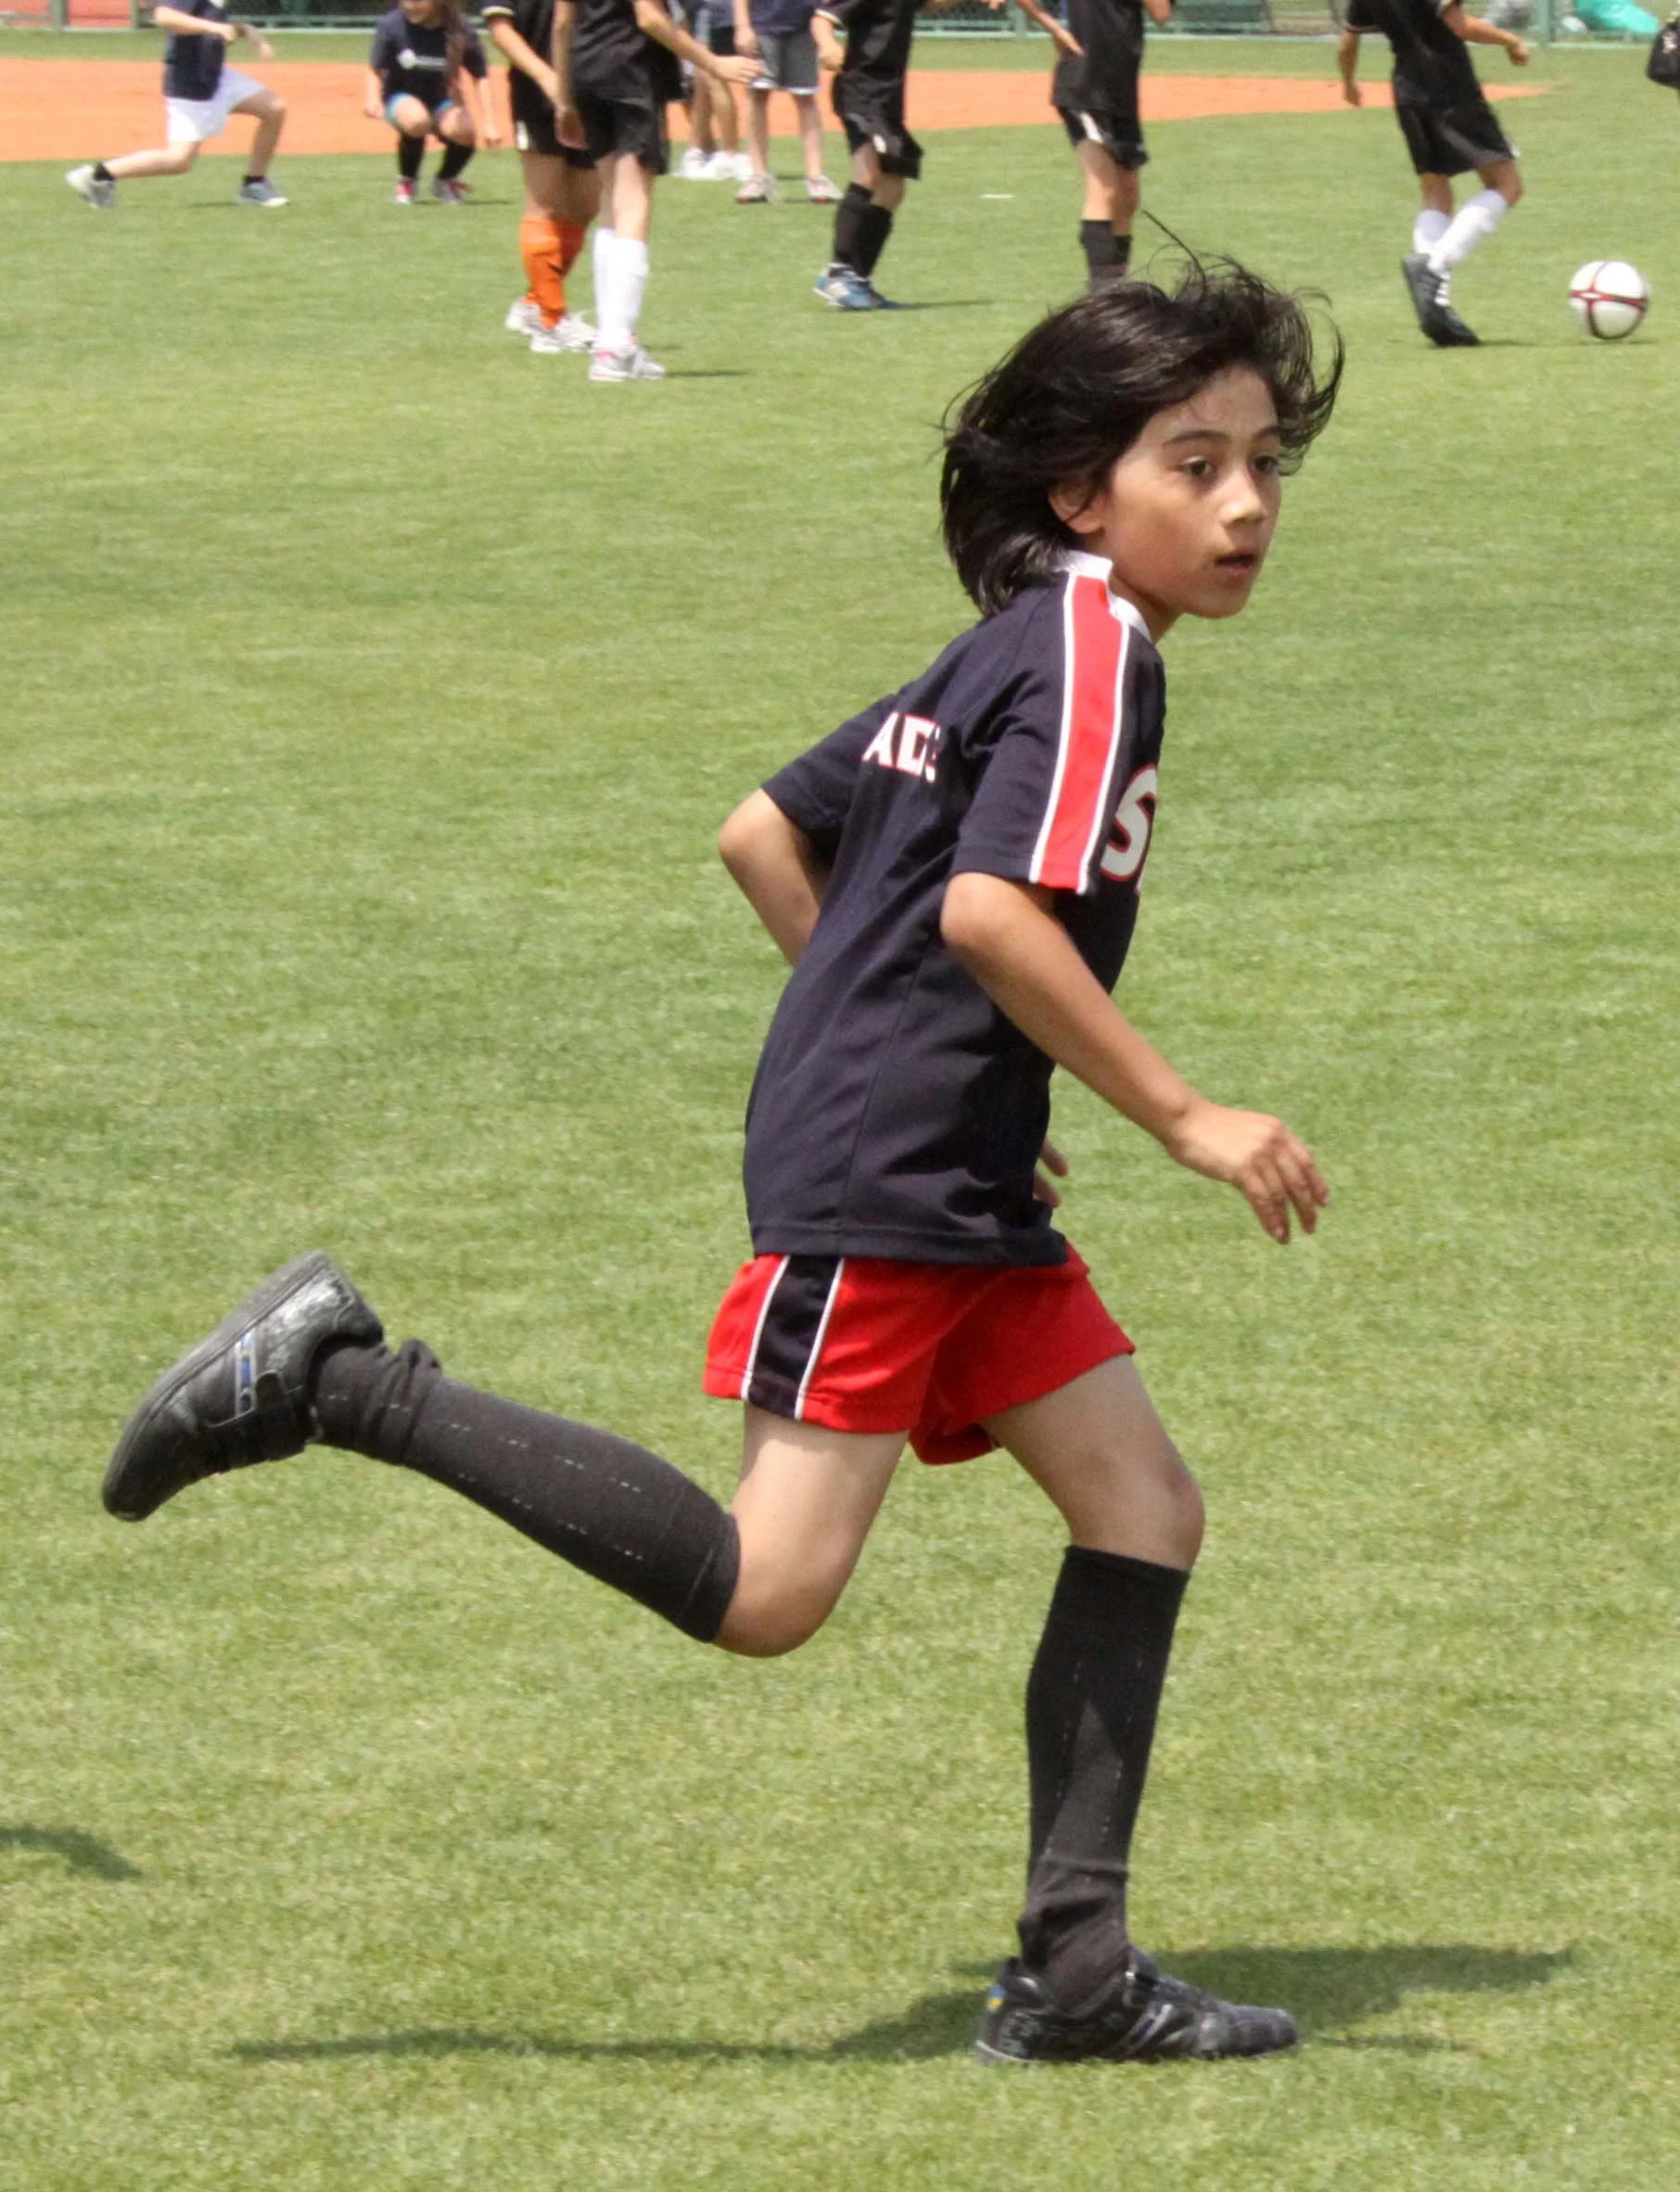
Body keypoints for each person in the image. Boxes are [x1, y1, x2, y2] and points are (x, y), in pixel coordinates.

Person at [104, 263, 1343, 2067]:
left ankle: (1075, 1973)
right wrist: (1175, 1112)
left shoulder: (1018, 639)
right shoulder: (1091, 650)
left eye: (1261, 464)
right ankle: (339, 1380)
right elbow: (992, 911)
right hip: (899, 1171)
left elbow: (766, 834)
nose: (1241, 504)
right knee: (768, 1592)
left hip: (941, 1161)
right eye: (1193, 461)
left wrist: (906, 1046)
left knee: (1143, 1505)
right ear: (1085, 493)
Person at [555, 0, 757, 379]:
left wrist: (564, 100)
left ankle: (609, 343)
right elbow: (649, 17)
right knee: (633, 203)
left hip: (586, 70)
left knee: (612, 201)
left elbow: (563, 22)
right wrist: (713, 63)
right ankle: (615, 349)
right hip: (630, 72)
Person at [1337, 0, 1529, 347]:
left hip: (1407, 90)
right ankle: (1435, 269)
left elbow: (1349, 39)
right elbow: (1459, 24)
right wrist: (1510, 41)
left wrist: (1348, 83)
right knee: (1507, 185)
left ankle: (1436, 306)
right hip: (1450, 87)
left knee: (1435, 192)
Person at [809, 0, 999, 311]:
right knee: (868, 173)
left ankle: (858, 278)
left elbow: (935, 3)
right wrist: (827, 44)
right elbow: (821, 17)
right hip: (859, 91)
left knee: (893, 186)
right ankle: (837, 271)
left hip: (887, 99)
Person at [65, 0, 286, 210]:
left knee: (274, 108)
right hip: (189, 80)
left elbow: (216, 26)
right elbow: (164, 16)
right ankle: (98, 177)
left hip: (215, 75)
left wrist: (245, 30)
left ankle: (254, 185)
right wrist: (214, 28)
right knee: (179, 160)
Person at [1021, 0, 1173, 288]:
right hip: (1083, 84)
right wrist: (1054, 28)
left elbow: (1161, 13)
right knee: (1103, 187)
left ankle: (1116, 280)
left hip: (1120, 90)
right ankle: (1102, 292)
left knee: (1127, 195)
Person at [485, 0, 602, 351]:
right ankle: (551, 320)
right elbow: (500, 29)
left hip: (591, 91)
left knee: (585, 204)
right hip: (536, 95)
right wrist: (546, 76)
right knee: (544, 203)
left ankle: (535, 303)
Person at [365, 0, 500, 207]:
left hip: (441, 101)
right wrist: (373, 98)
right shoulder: (392, 25)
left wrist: (490, 123)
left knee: (464, 130)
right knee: (416, 120)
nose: (410, 6)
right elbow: (375, 67)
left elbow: (480, 76)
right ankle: (407, 180)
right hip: (400, 97)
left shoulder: (460, 29)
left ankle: (445, 180)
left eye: (418, 1)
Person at [732, 0, 840, 204]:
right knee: (757, 94)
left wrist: (825, 18)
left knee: (806, 97)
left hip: (805, 22)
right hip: (761, 23)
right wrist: (742, 26)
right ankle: (759, 176)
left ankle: (816, 177)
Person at [676, 0, 752, 179]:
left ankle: (730, 154)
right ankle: (698, 150)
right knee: (702, 78)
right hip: (709, 10)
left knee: (712, 77)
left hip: (708, 10)